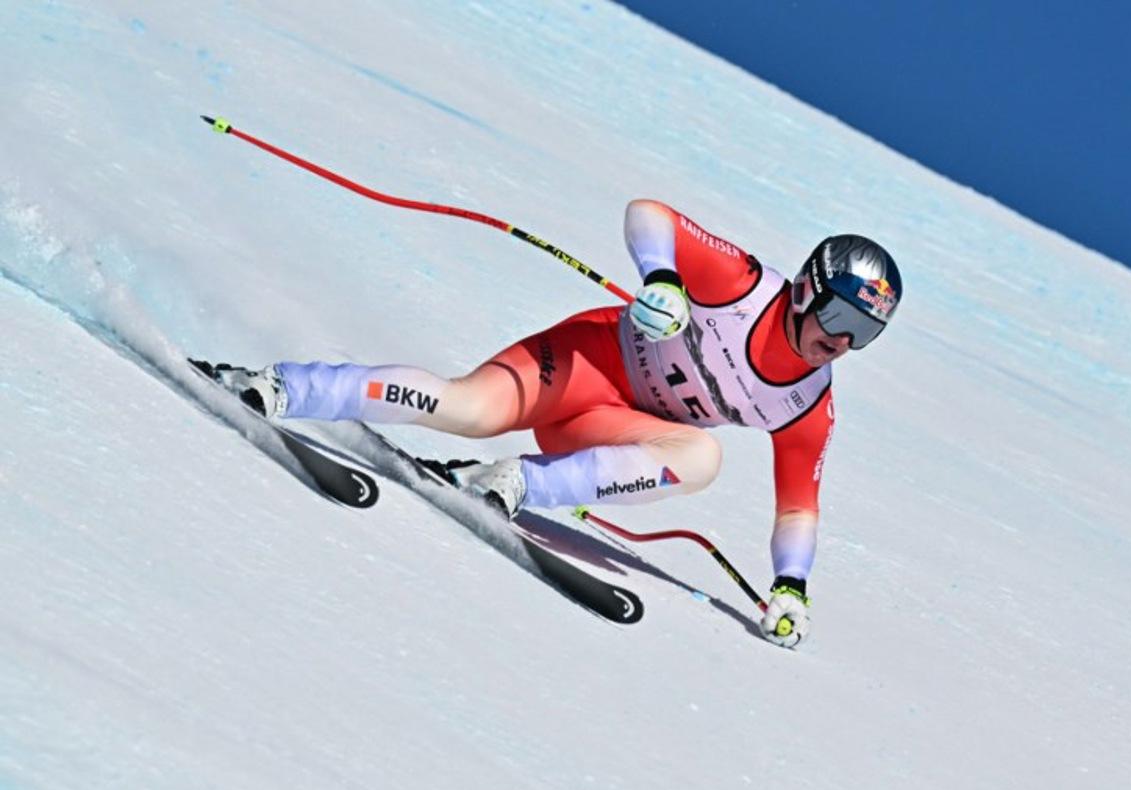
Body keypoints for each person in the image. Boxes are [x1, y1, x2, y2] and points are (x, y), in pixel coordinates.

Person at [214, 199, 903, 648]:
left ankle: (513, 483)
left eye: (863, 335)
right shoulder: (742, 286)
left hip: (609, 427)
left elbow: (799, 505)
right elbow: (649, 214)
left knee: (701, 458)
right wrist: (661, 279)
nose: (841, 343)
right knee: (469, 409)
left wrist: (791, 586)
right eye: (840, 319)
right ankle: (277, 386)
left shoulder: (807, 401)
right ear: (809, 288)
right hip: (580, 362)